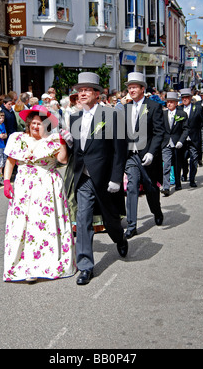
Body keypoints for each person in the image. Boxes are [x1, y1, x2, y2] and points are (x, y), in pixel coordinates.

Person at [66, 72, 128, 286]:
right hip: (82, 176)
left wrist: (116, 178)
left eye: (86, 90)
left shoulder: (111, 115)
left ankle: (120, 237)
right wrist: (67, 142)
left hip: (104, 178)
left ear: (97, 93)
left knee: (111, 219)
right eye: (79, 90)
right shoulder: (73, 117)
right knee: (82, 220)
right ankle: (85, 266)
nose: (81, 94)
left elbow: (120, 150)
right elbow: (77, 150)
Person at [3, 105, 76, 283]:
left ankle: (47, 264)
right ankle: (26, 267)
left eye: (40, 123)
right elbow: (10, 162)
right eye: (33, 123)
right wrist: (6, 181)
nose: (36, 126)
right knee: (23, 226)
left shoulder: (53, 139)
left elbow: (63, 160)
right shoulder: (17, 138)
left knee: (45, 226)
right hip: (23, 186)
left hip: (47, 186)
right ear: (28, 123)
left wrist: (63, 143)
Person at [121, 72, 165, 239]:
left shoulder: (153, 107)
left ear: (142, 89)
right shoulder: (125, 108)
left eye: (134, 87)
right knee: (131, 188)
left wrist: (152, 153)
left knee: (150, 187)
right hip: (131, 156)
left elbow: (159, 132)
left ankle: (156, 210)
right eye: (129, 87)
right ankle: (131, 226)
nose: (131, 90)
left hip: (146, 155)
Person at [161, 92, 190, 197]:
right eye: (168, 102)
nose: (169, 104)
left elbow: (186, 129)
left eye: (171, 102)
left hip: (177, 142)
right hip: (166, 143)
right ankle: (166, 187)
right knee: (166, 165)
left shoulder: (182, 114)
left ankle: (178, 182)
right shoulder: (163, 114)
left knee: (178, 164)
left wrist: (181, 141)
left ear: (176, 103)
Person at [180, 88, 203, 188]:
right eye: (183, 98)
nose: (184, 99)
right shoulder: (179, 109)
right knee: (183, 159)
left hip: (194, 139)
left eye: (186, 97)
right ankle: (185, 173)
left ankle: (192, 179)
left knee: (194, 159)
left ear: (190, 98)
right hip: (182, 140)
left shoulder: (197, 108)